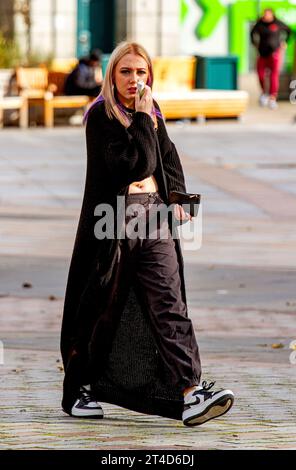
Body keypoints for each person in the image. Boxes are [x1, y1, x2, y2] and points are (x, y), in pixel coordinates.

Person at [60, 41, 234, 427]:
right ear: (112, 74)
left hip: (154, 217)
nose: (134, 80)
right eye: (125, 71)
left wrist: (181, 201)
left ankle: (191, 393)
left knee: (169, 302)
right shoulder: (100, 116)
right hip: (112, 223)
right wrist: (141, 121)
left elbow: (167, 158)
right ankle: (79, 388)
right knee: (102, 307)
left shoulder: (152, 112)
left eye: (141, 72)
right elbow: (133, 165)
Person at [251, 8, 291, 109]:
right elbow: (252, 33)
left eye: (268, 14)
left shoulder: (277, 23)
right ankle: (264, 93)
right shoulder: (260, 24)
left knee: (274, 75)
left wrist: (285, 42)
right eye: (265, 14)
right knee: (260, 74)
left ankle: (273, 97)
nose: (266, 16)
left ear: (272, 15)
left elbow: (289, 30)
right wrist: (255, 44)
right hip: (262, 54)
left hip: (274, 53)